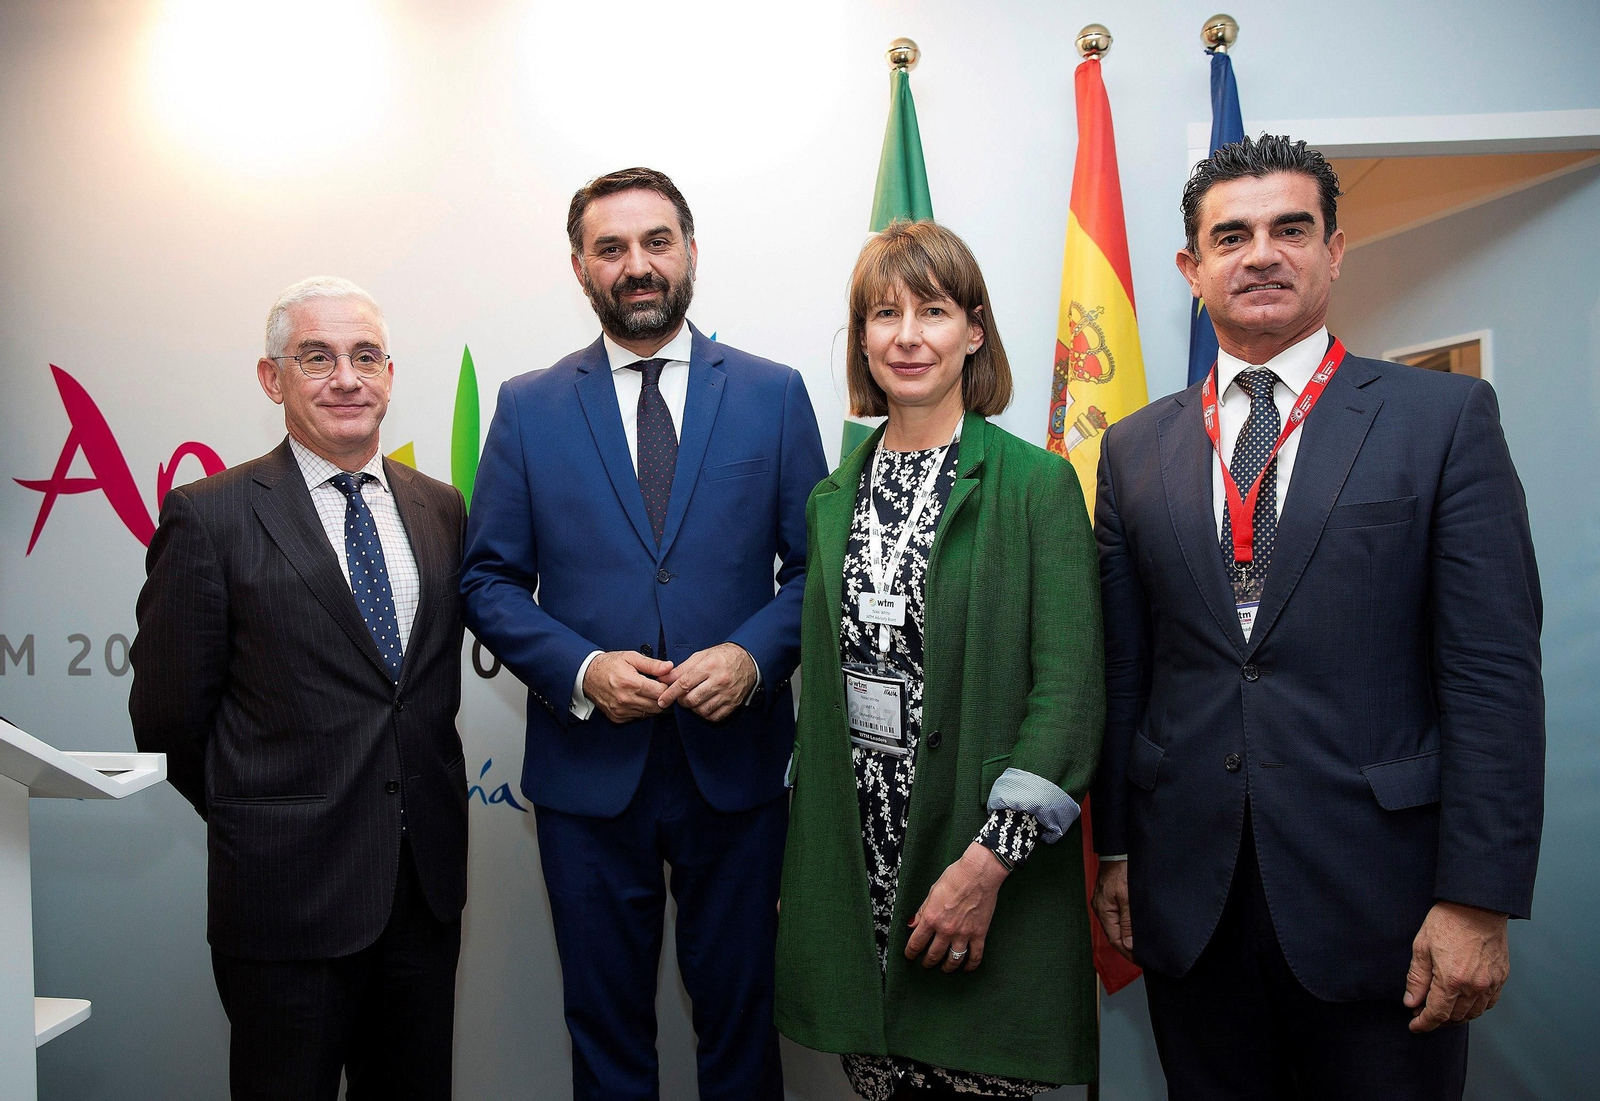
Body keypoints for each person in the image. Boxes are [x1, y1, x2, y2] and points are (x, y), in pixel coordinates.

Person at [1091, 135, 1544, 1101]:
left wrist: (1478, 899)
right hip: (1190, 899)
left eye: (1290, 229)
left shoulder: (1444, 419)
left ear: (1335, 250)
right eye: (1232, 235)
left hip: (1385, 909)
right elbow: (1128, 668)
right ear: (1191, 267)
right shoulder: (1133, 449)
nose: (1262, 254)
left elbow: (1494, 675)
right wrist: (1119, 849)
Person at [460, 167, 827, 1101]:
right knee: (605, 1031)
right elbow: (488, 580)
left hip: (737, 773)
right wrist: (579, 667)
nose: (638, 266)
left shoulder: (773, 393)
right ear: (581, 267)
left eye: (656, 242)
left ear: (691, 251)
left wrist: (752, 656)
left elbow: (816, 571)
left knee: (743, 1027)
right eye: (612, 248)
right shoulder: (528, 404)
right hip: (590, 775)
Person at [775, 220, 1105, 1099]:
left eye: (933, 309)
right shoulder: (830, 495)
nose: (908, 335)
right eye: (884, 314)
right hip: (861, 872)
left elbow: (1069, 692)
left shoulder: (1037, 484)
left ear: (975, 329)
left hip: (982, 861)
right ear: (862, 339)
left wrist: (986, 863)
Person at [129, 277, 469, 1100]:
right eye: (316, 357)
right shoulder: (210, 515)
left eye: (364, 357)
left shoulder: (441, 509)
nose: (346, 378)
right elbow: (168, 716)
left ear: (390, 372)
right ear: (271, 378)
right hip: (284, 901)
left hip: (422, 893)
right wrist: (272, 815)